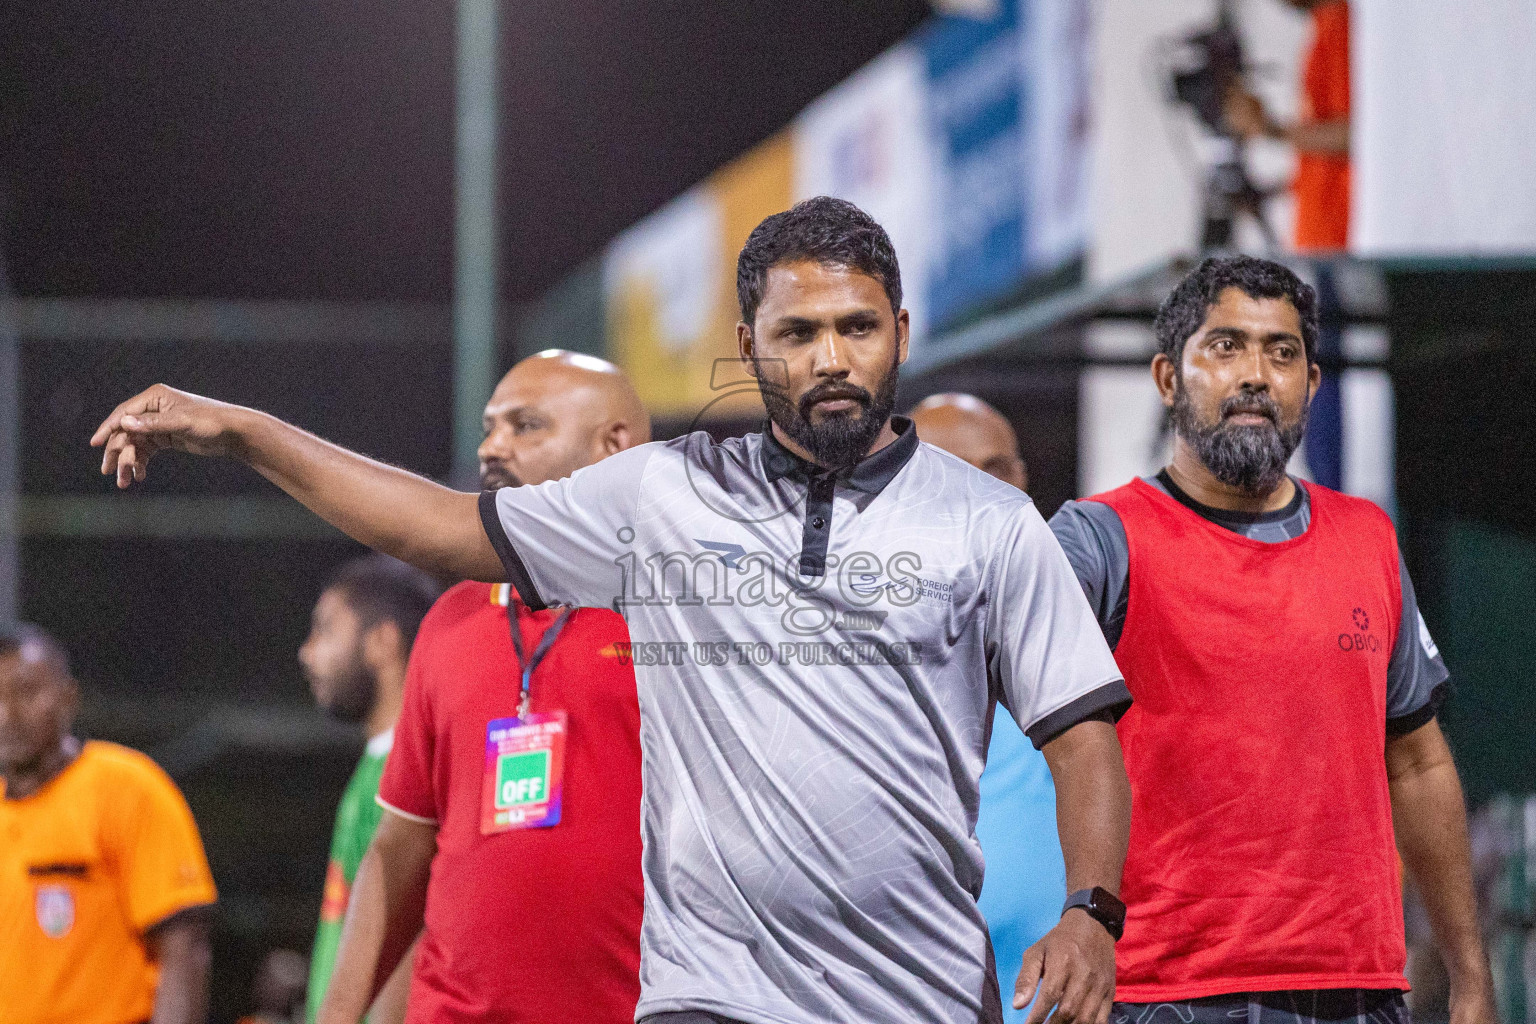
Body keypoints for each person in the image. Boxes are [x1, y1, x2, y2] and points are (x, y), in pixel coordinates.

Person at [94, 196, 1135, 1024]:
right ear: (748, 340)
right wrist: (245, 433)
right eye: (799, 331)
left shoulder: (992, 523)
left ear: (900, 331)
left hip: (918, 997)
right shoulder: (664, 495)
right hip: (707, 997)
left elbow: (1083, 740)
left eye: (857, 327)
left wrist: (1091, 913)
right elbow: (443, 528)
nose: (830, 357)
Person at [1048, 255, 1499, 1024]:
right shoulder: (1097, 540)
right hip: (1165, 994)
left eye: (1281, 352)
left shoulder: (1366, 539)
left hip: (1358, 992)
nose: (1255, 373)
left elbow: (1418, 764)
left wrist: (1470, 976)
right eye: (1224, 347)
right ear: (1167, 378)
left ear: (1310, 387)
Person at [316, 350, 650, 1024]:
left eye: (525, 426)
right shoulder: (453, 618)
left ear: (615, 446)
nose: (492, 447)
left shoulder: (685, 612)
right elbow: (399, 853)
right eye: (489, 427)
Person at [909, 393, 1060, 1024]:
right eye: (947, 477)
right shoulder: (846, 674)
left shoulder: (1086, 652)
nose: (979, 499)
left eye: (996, 473)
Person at [1, 622, 218, 1024]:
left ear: (68, 698)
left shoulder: (127, 787)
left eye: (26, 693)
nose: (7, 714)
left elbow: (183, 946)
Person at [299, 554, 441, 1024]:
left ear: (382, 642)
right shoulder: (375, 765)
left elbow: (410, 933)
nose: (308, 653)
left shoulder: (410, 771)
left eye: (326, 631)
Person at [1225, 0, 1351, 251]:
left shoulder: (1340, 21)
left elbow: (1358, 137)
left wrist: (1272, 130)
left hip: (1345, 243)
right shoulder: (1323, 27)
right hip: (1322, 247)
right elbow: (1321, 162)